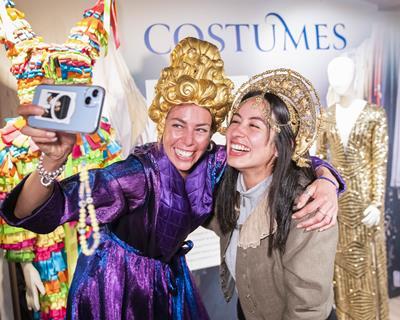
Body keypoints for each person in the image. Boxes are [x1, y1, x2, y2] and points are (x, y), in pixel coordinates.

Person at [1, 38, 343, 320]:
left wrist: (327, 180)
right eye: (178, 125)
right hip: (116, 287)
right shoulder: (134, 176)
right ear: (162, 122)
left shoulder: (215, 162)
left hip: (169, 282)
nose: (188, 141)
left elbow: (288, 154)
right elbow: (44, 210)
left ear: (212, 133)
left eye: (201, 129)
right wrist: (53, 160)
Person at [209, 69, 339, 320]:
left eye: (254, 125)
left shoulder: (307, 207)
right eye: (235, 121)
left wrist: (326, 179)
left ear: (282, 147)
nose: (237, 132)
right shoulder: (225, 187)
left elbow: (307, 310)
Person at [317, 56, 389, 320]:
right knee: (342, 263)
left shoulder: (374, 114)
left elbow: (378, 161)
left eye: (344, 73)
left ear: (355, 75)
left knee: (368, 262)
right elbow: (320, 158)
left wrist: (376, 203)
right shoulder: (326, 116)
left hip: (366, 204)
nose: (339, 79)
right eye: (333, 73)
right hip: (338, 202)